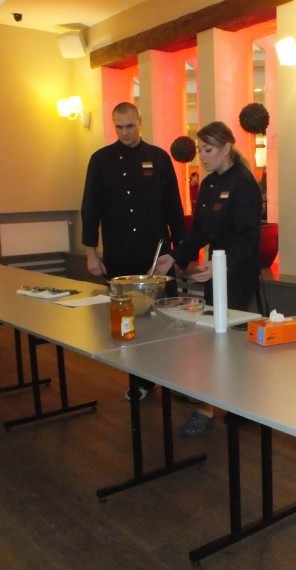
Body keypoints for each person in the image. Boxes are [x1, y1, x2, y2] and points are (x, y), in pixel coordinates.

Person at [154, 121, 262, 436]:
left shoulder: (244, 183)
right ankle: (214, 403)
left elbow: (248, 240)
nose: (201, 156)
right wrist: (175, 255)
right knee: (214, 339)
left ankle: (231, 404)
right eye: (200, 150)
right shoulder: (210, 183)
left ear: (226, 148)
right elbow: (201, 232)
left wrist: (222, 265)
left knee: (229, 340)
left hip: (238, 271)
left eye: (207, 149)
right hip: (215, 268)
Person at [81, 102, 186, 400]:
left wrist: (182, 253)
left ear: (140, 122)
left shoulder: (159, 158)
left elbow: (173, 208)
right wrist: (91, 253)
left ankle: (171, 377)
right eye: (119, 127)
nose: (125, 132)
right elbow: (90, 208)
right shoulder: (100, 160)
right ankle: (141, 380)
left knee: (163, 317)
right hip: (120, 253)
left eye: (130, 126)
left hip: (156, 254)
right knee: (130, 321)